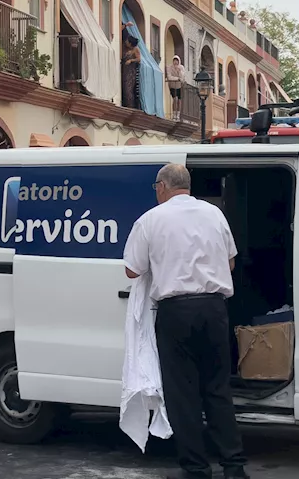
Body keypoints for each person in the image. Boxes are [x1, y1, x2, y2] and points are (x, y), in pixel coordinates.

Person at [123, 164, 248, 479]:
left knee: (184, 395)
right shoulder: (215, 215)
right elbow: (230, 263)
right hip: (214, 308)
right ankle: (234, 466)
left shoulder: (150, 219)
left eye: (156, 187)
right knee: (218, 390)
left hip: (176, 311)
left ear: (162, 187)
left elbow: (131, 270)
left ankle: (196, 468)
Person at [121, 23, 142, 110]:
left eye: (127, 42)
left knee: (128, 88)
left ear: (130, 43)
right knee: (124, 86)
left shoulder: (135, 49)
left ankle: (130, 105)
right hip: (125, 70)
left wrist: (131, 60)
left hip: (131, 71)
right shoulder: (127, 49)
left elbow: (139, 59)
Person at [165, 55, 189, 122]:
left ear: (179, 61)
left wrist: (179, 71)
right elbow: (169, 77)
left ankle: (178, 114)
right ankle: (174, 114)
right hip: (172, 86)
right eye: (174, 60)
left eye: (177, 61)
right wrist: (177, 78)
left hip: (180, 86)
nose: (175, 62)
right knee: (174, 99)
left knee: (179, 100)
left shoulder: (181, 67)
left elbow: (182, 78)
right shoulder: (169, 67)